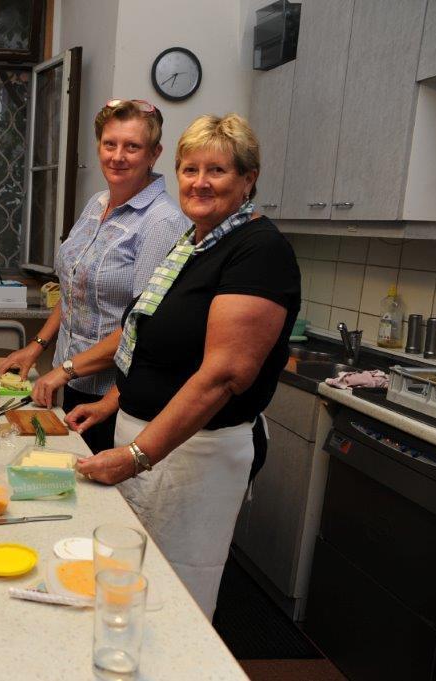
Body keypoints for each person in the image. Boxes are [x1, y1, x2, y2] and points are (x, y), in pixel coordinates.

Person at [66, 113, 300, 619]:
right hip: (149, 444)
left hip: (196, 454)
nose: (199, 183)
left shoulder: (259, 251)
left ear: (248, 179)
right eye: (190, 169)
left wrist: (137, 454)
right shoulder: (195, 242)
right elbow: (150, 339)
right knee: (132, 584)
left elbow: (223, 375)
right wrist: (113, 403)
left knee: (176, 597)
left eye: (217, 171)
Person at [0, 99, 187, 453]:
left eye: (132, 146)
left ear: (154, 153)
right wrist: (37, 347)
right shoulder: (97, 204)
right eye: (109, 144)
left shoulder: (162, 222)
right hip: (71, 381)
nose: (118, 156)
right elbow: (75, 289)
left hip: (114, 398)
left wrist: (65, 369)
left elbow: (141, 326)